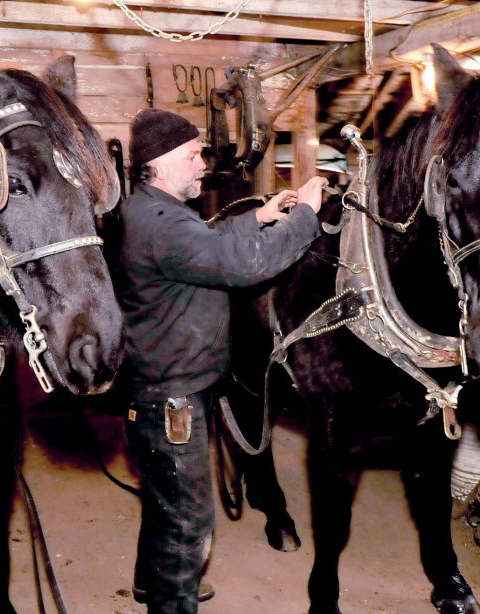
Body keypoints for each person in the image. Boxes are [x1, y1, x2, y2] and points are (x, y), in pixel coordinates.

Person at [115, 107, 327, 614]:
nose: (202, 166)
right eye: (192, 156)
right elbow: (240, 264)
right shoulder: (163, 222)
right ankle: (172, 602)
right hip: (172, 397)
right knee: (189, 520)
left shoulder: (146, 208)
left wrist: (261, 215)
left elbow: (206, 244)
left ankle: (152, 581)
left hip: (159, 384)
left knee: (164, 498)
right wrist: (305, 217)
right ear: (162, 163)